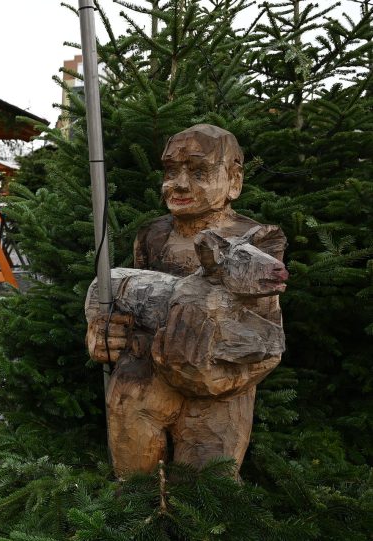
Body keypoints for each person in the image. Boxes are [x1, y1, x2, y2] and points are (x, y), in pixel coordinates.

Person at [85, 124, 287, 475]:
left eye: (198, 171)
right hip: (142, 384)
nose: (177, 183)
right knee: (133, 488)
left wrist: (211, 378)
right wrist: (104, 332)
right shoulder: (152, 234)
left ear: (234, 180)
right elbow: (131, 303)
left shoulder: (253, 240)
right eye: (170, 170)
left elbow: (268, 340)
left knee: (208, 493)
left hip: (217, 393)